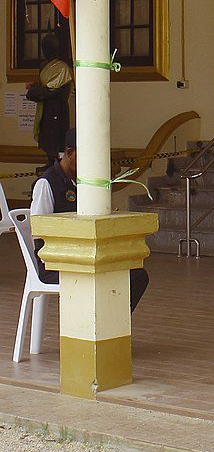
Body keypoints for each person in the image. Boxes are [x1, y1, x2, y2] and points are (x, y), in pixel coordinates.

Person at [31, 129, 149, 314]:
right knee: (100, 277)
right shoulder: (47, 183)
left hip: (87, 254)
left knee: (136, 275)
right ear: (69, 154)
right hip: (56, 261)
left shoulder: (86, 183)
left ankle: (112, 322)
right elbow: (37, 230)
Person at [24, 33, 72, 168]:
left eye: (48, 48)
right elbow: (43, 87)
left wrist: (35, 92)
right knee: (45, 137)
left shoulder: (63, 68)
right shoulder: (44, 65)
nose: (45, 52)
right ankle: (50, 162)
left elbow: (51, 91)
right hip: (45, 108)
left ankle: (56, 164)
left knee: (55, 138)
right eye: (44, 49)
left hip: (56, 109)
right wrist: (35, 88)